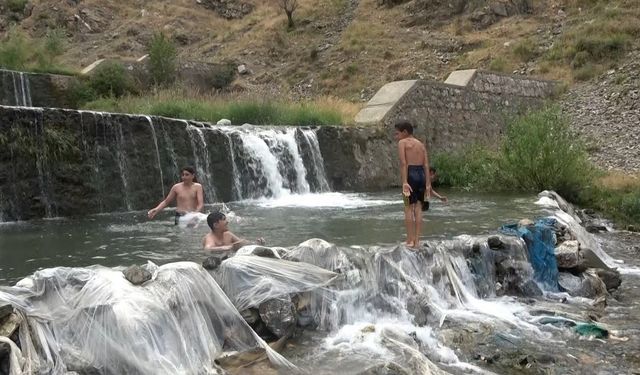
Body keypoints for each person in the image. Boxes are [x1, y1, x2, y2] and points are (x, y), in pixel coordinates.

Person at [394, 120, 431, 249]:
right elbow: (426, 164)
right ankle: (417, 240)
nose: (396, 136)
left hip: (410, 175)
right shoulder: (421, 144)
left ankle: (409, 240)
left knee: (407, 207)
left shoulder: (402, 143)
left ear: (405, 132)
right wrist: (428, 184)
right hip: (421, 175)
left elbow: (403, 163)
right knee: (419, 207)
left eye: (397, 133)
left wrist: (404, 182)